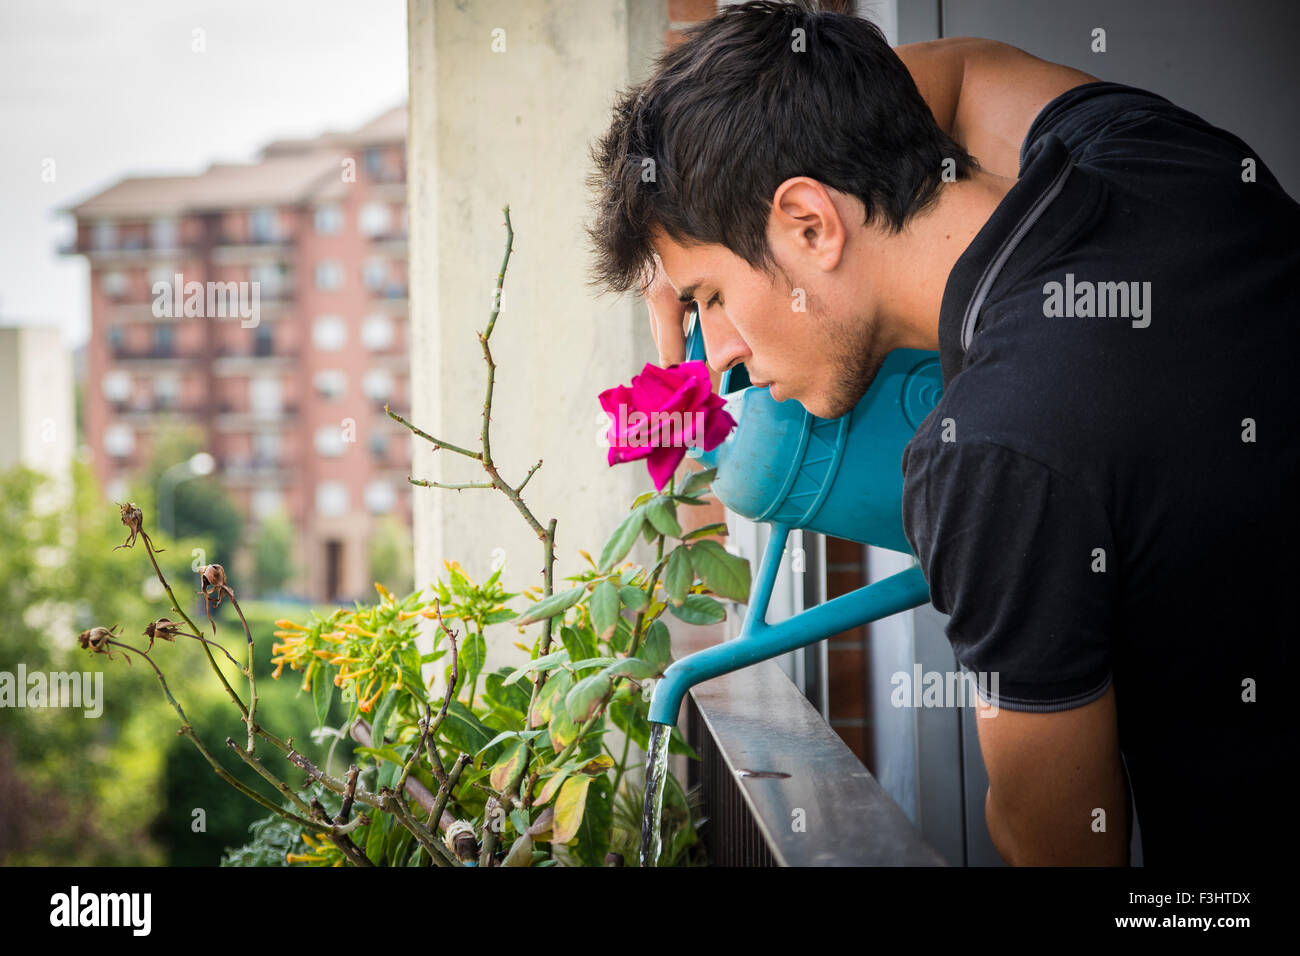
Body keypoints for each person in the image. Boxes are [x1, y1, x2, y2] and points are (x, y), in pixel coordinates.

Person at [584, 0, 1297, 867]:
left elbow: (1059, 846)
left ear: (811, 224)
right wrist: (770, 126)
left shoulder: (992, 453)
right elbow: (954, 74)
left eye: (709, 298)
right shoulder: (1145, 147)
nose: (720, 357)